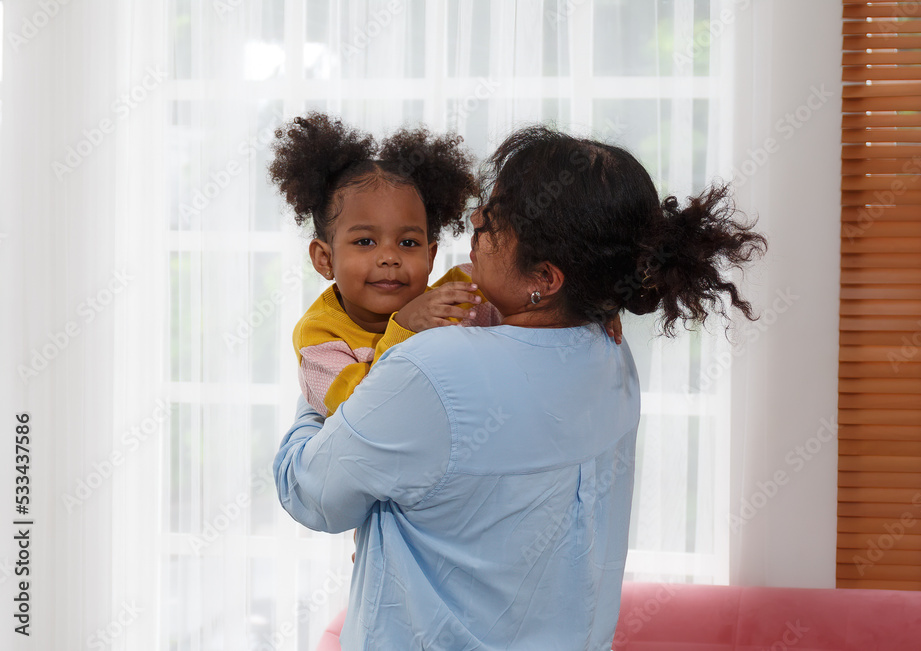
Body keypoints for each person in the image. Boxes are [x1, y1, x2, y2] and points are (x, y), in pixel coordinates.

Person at [273, 125, 766, 649]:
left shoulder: (430, 368)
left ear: (545, 279)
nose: (475, 219)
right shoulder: (610, 351)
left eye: (496, 215)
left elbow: (310, 493)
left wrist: (316, 385)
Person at [268, 113, 503, 418]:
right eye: (365, 241)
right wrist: (403, 328)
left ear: (430, 256)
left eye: (408, 243)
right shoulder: (319, 337)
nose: (389, 257)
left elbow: (518, 296)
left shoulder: (456, 300)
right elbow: (365, 413)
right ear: (325, 259)